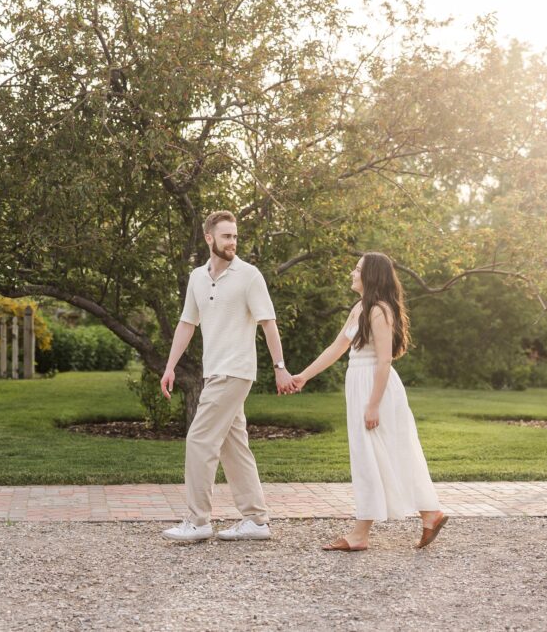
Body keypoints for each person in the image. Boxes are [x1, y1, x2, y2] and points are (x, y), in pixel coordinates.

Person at [292, 252, 447, 551]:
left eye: (358, 269)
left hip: (377, 388)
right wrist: (304, 376)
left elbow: (385, 360)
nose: (352, 273)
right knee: (377, 454)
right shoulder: (359, 309)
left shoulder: (379, 311)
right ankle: (429, 514)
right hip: (361, 384)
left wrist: (373, 404)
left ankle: (362, 534)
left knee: (375, 455)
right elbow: (337, 348)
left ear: (371, 275)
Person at [160, 210, 296, 542]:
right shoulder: (196, 277)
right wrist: (169, 366)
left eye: (235, 236)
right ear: (209, 238)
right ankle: (256, 520)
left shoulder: (249, 276)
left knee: (199, 440)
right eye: (226, 236)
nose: (232, 241)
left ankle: (198, 520)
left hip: (234, 370)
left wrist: (280, 368)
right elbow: (186, 324)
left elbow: (268, 323)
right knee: (234, 447)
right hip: (215, 370)